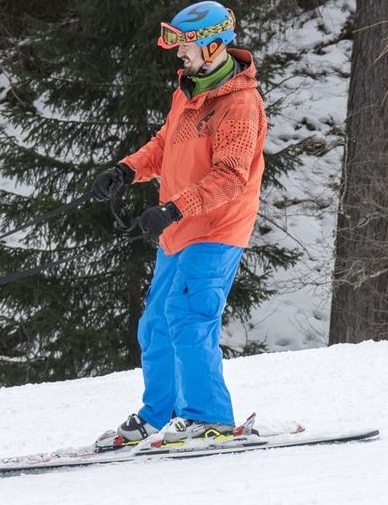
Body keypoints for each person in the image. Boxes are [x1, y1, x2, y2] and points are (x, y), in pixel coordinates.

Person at [91, 1, 267, 448]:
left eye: (184, 45)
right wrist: (126, 171)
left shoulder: (240, 104)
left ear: (212, 46)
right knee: (155, 325)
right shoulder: (187, 91)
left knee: (189, 317)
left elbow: (231, 176)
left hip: (216, 230)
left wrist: (173, 208)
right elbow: (165, 145)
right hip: (179, 230)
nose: (178, 54)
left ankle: (211, 419)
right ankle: (157, 415)